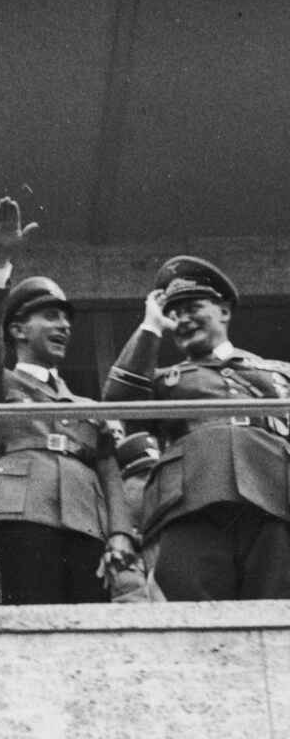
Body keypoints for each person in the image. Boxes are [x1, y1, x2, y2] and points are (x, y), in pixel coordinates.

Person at [0, 198, 135, 604]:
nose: (64, 326)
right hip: (24, 512)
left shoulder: (84, 404)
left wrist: (121, 531)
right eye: (51, 317)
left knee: (92, 625)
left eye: (67, 319)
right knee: (33, 618)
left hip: (86, 520)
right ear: (18, 330)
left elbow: (108, 467)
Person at [102, 255, 290, 600]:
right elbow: (118, 398)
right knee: (192, 605)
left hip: (273, 496)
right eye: (174, 312)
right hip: (192, 501)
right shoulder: (164, 380)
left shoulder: (277, 372)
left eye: (193, 307)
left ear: (224, 311)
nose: (182, 319)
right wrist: (151, 326)